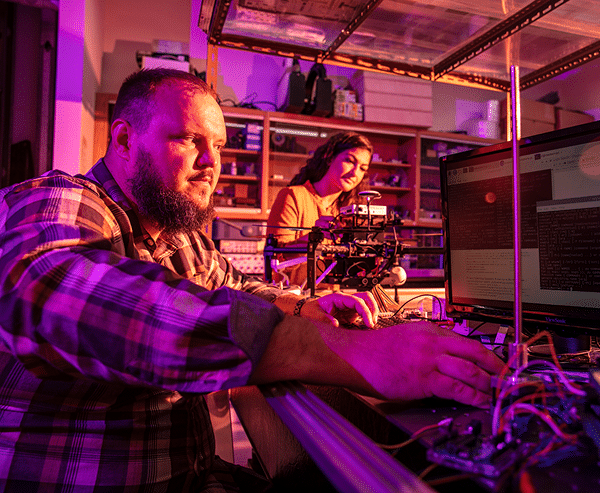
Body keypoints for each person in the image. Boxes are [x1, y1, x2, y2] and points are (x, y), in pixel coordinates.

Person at [0, 68, 505, 491]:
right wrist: (361, 354)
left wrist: (306, 306)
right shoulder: (59, 199)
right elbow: (65, 293)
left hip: (193, 477)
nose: (212, 163)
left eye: (218, 144)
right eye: (187, 139)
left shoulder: (182, 239)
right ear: (125, 139)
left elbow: (239, 288)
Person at [266, 131, 372, 288]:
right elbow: (277, 258)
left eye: (363, 168)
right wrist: (314, 238)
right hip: (291, 299)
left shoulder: (345, 212)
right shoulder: (293, 196)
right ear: (330, 157)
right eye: (350, 161)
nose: (355, 173)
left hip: (333, 301)